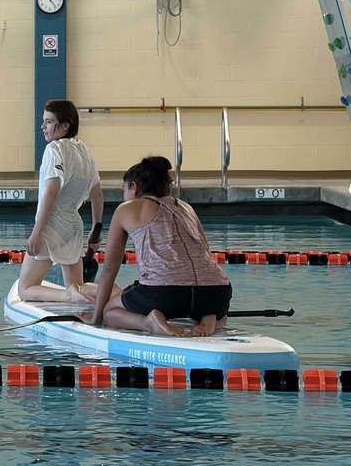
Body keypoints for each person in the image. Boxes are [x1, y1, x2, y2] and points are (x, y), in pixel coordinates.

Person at [79, 156, 232, 337]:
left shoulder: (127, 208)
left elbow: (110, 270)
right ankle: (210, 318)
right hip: (217, 293)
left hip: (163, 294)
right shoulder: (186, 208)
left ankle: (149, 322)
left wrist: (96, 317)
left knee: (110, 311)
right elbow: (205, 251)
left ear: (133, 187)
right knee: (211, 307)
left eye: (123, 189)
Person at [19, 99, 104, 304]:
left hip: (50, 225)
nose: (43, 127)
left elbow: (51, 192)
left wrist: (37, 232)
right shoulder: (83, 150)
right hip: (73, 226)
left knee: (25, 288)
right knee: (78, 285)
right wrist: (96, 228)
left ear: (65, 125)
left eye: (48, 122)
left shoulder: (54, 150)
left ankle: (67, 296)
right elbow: (98, 195)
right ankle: (109, 293)